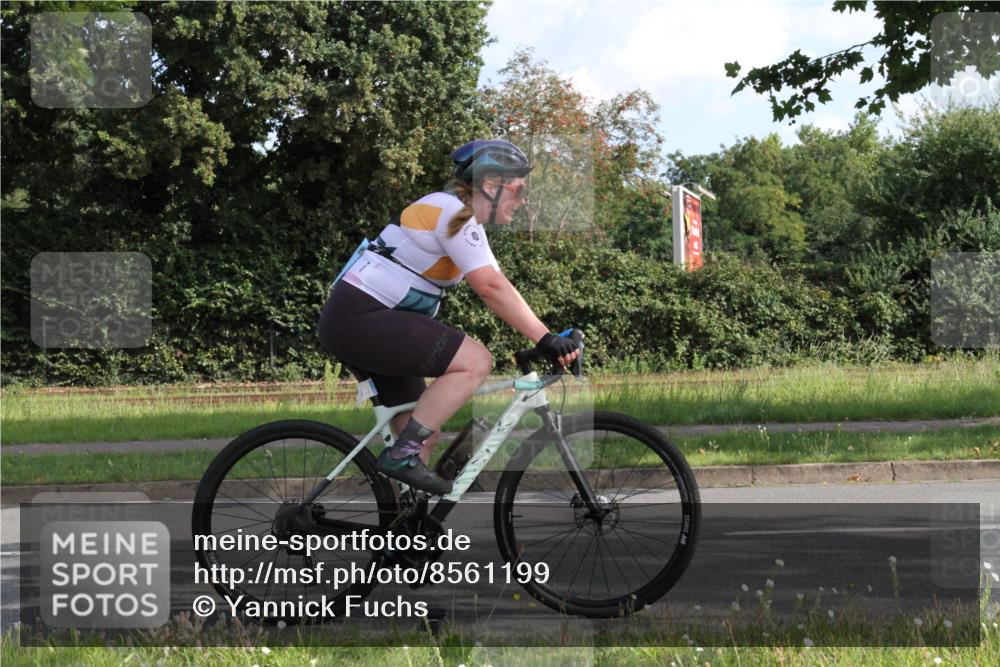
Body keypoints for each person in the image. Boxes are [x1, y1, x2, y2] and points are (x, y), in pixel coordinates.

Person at [318, 139, 581, 495]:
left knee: (421, 429)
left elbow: (502, 286)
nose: (523, 201)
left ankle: (404, 536)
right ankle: (402, 457)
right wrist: (546, 339)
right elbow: (490, 287)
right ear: (490, 185)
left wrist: (546, 336)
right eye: (518, 190)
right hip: (362, 317)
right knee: (475, 361)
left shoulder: (459, 219)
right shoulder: (451, 212)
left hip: (362, 320)